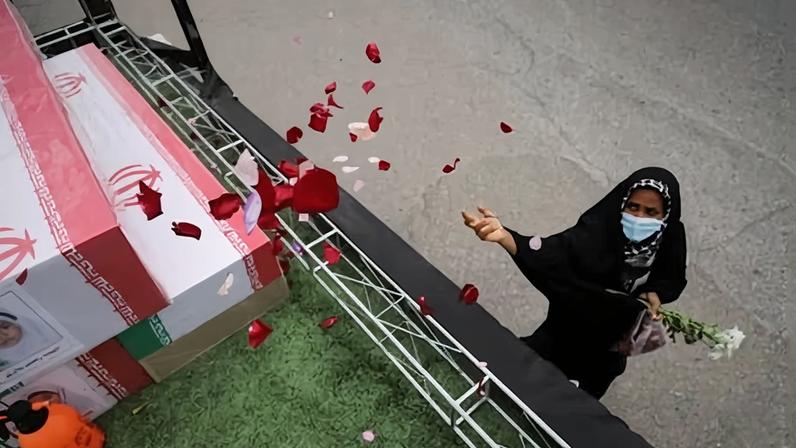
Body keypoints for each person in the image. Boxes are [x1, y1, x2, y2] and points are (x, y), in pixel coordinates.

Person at [461, 167, 687, 399]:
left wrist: (654, 293)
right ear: (622, 203)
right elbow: (550, 256)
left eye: (651, 212)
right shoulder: (596, 231)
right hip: (565, 330)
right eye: (633, 207)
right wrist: (505, 237)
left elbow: (672, 278)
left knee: (577, 403)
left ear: (665, 215)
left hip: (609, 349)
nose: (639, 218)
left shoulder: (669, 240)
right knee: (518, 376)